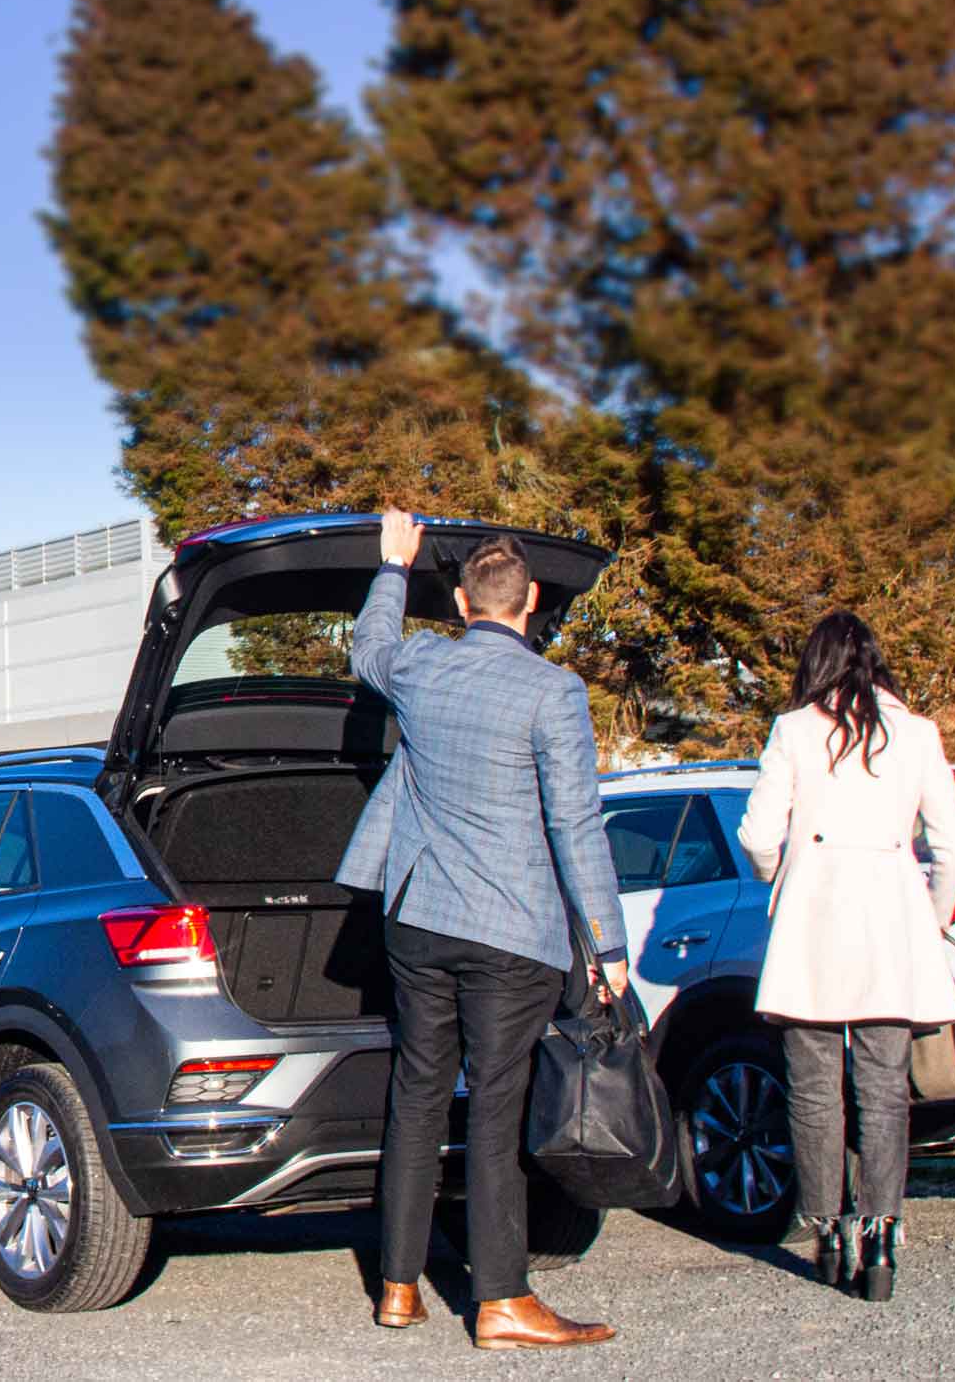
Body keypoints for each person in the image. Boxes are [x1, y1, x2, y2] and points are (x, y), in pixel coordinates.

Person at [335, 508, 628, 1350]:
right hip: (511, 932)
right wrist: (605, 946)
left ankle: (397, 1286)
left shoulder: (423, 665)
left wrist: (394, 564)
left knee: (417, 1095)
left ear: (464, 603)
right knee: (495, 1110)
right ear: (530, 599)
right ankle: (500, 1299)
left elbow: (367, 650)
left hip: (419, 918)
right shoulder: (553, 690)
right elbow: (577, 824)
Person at [736, 610, 955, 1301]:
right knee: (884, 1090)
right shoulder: (919, 733)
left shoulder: (795, 730)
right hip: (891, 922)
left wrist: (780, 872)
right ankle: (883, 1236)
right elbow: (954, 841)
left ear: (816, 663)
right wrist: (931, 915)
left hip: (813, 919)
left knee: (813, 1089)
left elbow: (756, 833)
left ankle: (829, 1231)